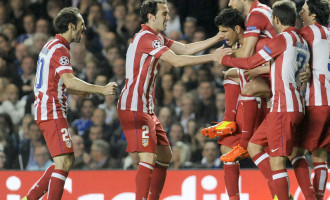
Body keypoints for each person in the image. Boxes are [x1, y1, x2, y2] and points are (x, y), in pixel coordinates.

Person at [117, 1, 228, 199]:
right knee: (148, 157)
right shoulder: (146, 38)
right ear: (151, 16)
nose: (168, 17)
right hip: (133, 107)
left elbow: (184, 49)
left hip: (146, 108)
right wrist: (212, 58)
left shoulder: (156, 37)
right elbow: (177, 61)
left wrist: (217, 37)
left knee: (165, 156)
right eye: (164, 13)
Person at [22, 7, 117, 200]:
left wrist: (84, 92)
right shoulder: (60, 50)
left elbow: (59, 82)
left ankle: (29, 199)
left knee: (65, 159)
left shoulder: (51, 45)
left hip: (48, 109)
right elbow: (69, 81)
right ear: (72, 26)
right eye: (81, 24)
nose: (84, 28)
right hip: (52, 110)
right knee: (64, 162)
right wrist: (101, 89)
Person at [218, 1, 310, 199]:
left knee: (277, 162)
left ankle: (282, 197)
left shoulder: (281, 39)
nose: (230, 2)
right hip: (296, 103)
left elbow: (250, 60)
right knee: (258, 147)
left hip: (282, 105)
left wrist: (224, 59)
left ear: (276, 20)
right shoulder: (301, 40)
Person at [298, 0, 330, 199]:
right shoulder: (328, 33)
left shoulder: (308, 32)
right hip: (328, 99)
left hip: (316, 100)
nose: (300, 12)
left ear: (314, 16)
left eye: (304, 10)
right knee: (320, 154)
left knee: (295, 153)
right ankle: (318, 197)